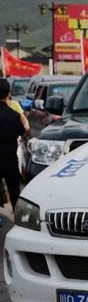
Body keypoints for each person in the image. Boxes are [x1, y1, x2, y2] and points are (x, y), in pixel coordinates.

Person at [0, 78, 30, 213]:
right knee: (14, 191)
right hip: (10, 160)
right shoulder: (14, 116)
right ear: (8, 94)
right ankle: (17, 216)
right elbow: (24, 130)